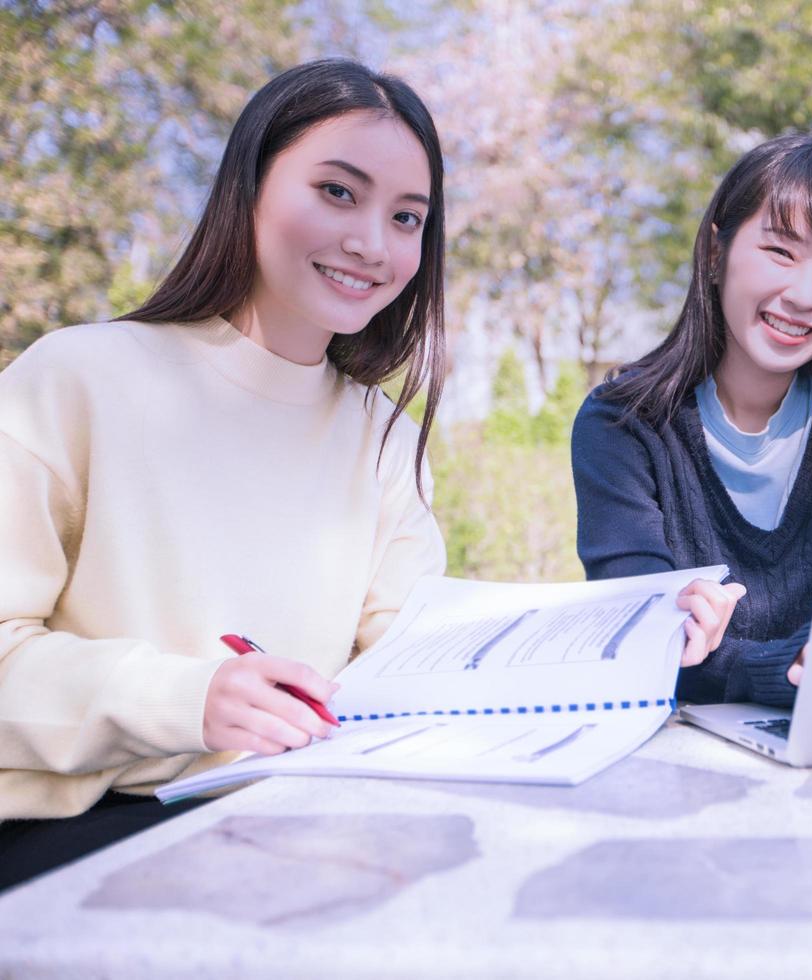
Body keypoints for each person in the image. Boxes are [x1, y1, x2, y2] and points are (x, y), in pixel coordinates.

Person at [0, 59, 449, 888]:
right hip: (80, 834)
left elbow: (411, 651)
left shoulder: (381, 435)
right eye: (338, 192)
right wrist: (187, 698)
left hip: (289, 821)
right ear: (247, 187)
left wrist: (634, 626)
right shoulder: (77, 377)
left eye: (408, 217)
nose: (371, 243)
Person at [572, 134, 812, 708]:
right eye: (781, 253)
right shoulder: (623, 428)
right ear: (716, 253)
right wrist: (787, 668)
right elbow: (643, 640)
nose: (803, 296)